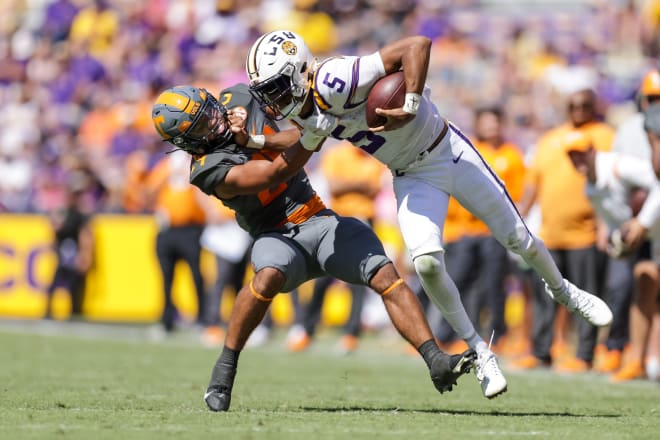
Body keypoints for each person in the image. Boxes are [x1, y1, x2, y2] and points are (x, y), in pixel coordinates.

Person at [245, 30, 612, 398]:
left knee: (518, 237)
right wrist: (255, 140)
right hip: (411, 175)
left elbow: (416, 45)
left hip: (446, 151)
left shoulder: (335, 80)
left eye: (276, 87)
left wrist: (411, 101)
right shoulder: (307, 107)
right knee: (427, 264)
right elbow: (302, 138)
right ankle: (479, 350)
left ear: (299, 70)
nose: (274, 100)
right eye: (267, 92)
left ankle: (563, 291)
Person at [151, 84, 476, 412]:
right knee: (267, 277)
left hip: (319, 219)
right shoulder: (206, 169)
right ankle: (224, 370)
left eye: (209, 112)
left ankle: (435, 361)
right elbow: (276, 171)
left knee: (385, 272)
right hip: (276, 234)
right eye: (203, 125)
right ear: (187, 141)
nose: (214, 122)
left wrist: (267, 136)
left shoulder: (240, 98)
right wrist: (311, 133)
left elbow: (297, 132)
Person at [515, 89, 614, 373]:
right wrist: (521, 211)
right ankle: (541, 351)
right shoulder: (549, 139)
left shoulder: (605, 135)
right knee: (545, 296)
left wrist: (605, 222)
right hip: (551, 233)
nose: (578, 110)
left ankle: (584, 355)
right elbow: (534, 180)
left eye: (584, 105)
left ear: (593, 106)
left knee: (585, 296)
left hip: (585, 233)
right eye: (573, 105)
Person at [286, 140, 387, 354]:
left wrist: (350, 184)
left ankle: (351, 334)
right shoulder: (338, 154)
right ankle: (306, 329)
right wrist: (359, 185)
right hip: (338, 220)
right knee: (322, 275)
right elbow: (334, 186)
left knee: (359, 280)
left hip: (365, 221)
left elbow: (375, 188)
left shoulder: (375, 156)